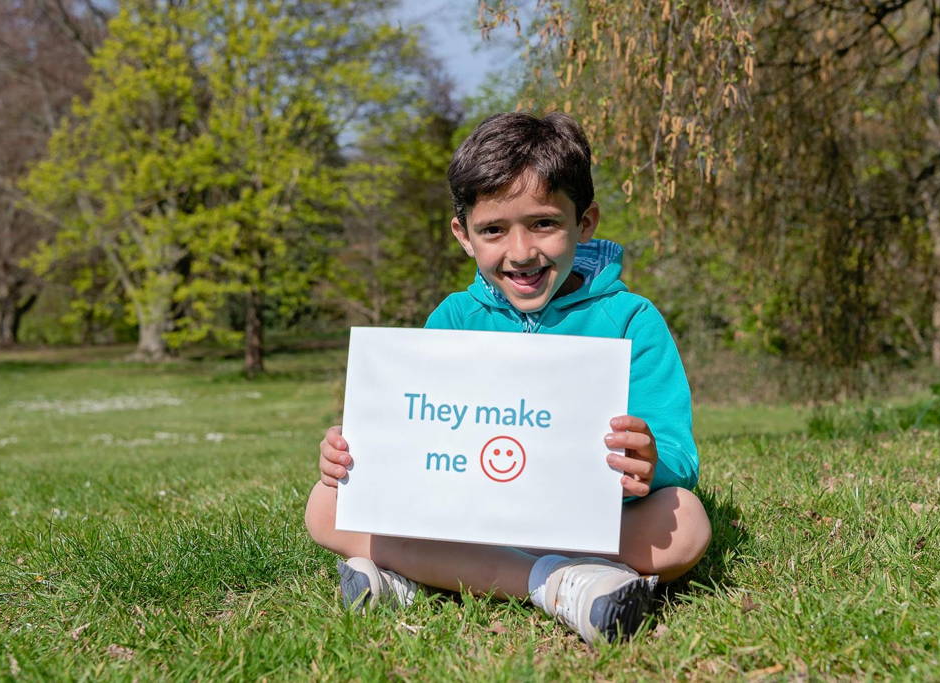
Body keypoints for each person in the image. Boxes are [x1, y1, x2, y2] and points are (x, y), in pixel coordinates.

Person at [304, 112, 711, 644]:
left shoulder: (632, 320)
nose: (521, 252)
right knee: (325, 505)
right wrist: (356, 453)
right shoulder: (452, 318)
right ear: (464, 235)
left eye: (543, 223)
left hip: (585, 520)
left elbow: (679, 455)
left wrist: (650, 462)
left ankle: (416, 575)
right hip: (471, 514)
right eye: (494, 230)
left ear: (584, 223)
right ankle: (563, 585)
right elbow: (417, 432)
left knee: (684, 521)